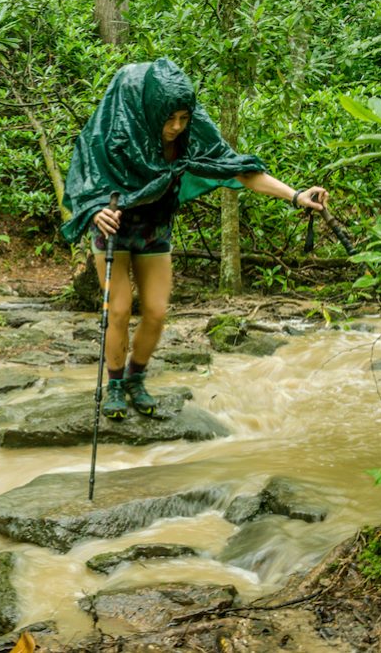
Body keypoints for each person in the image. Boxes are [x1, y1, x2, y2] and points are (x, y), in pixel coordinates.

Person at [61, 58, 329, 420]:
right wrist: (94, 209)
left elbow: (237, 169)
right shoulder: (117, 127)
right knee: (120, 311)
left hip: (155, 228)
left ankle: (135, 378)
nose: (176, 127)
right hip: (114, 228)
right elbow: (85, 175)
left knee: (155, 313)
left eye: (183, 118)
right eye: (169, 119)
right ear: (152, 111)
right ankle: (115, 386)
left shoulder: (191, 132)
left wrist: (297, 195)